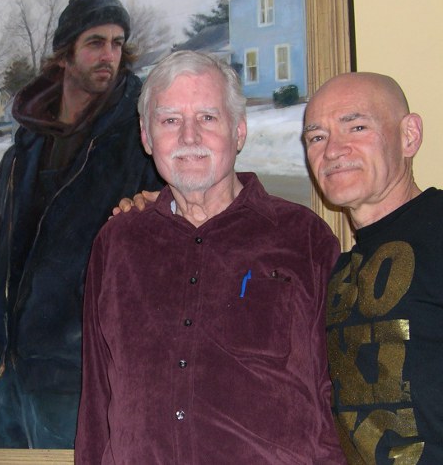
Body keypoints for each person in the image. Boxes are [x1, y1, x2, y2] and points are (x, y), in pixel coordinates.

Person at [75, 51, 345, 463]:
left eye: (207, 117)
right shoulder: (117, 243)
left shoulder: (304, 238)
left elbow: (335, 398)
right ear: (147, 138)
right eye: (170, 120)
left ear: (239, 132)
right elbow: (96, 403)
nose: (189, 137)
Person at [0, 0, 161, 448]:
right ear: (65, 55)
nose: (109, 55)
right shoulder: (28, 142)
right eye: (95, 42)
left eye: (117, 43)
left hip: (74, 380)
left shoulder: (139, 140)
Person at [303, 72, 442, 464]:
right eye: (317, 137)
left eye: (357, 127)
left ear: (409, 135)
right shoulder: (338, 271)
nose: (333, 150)